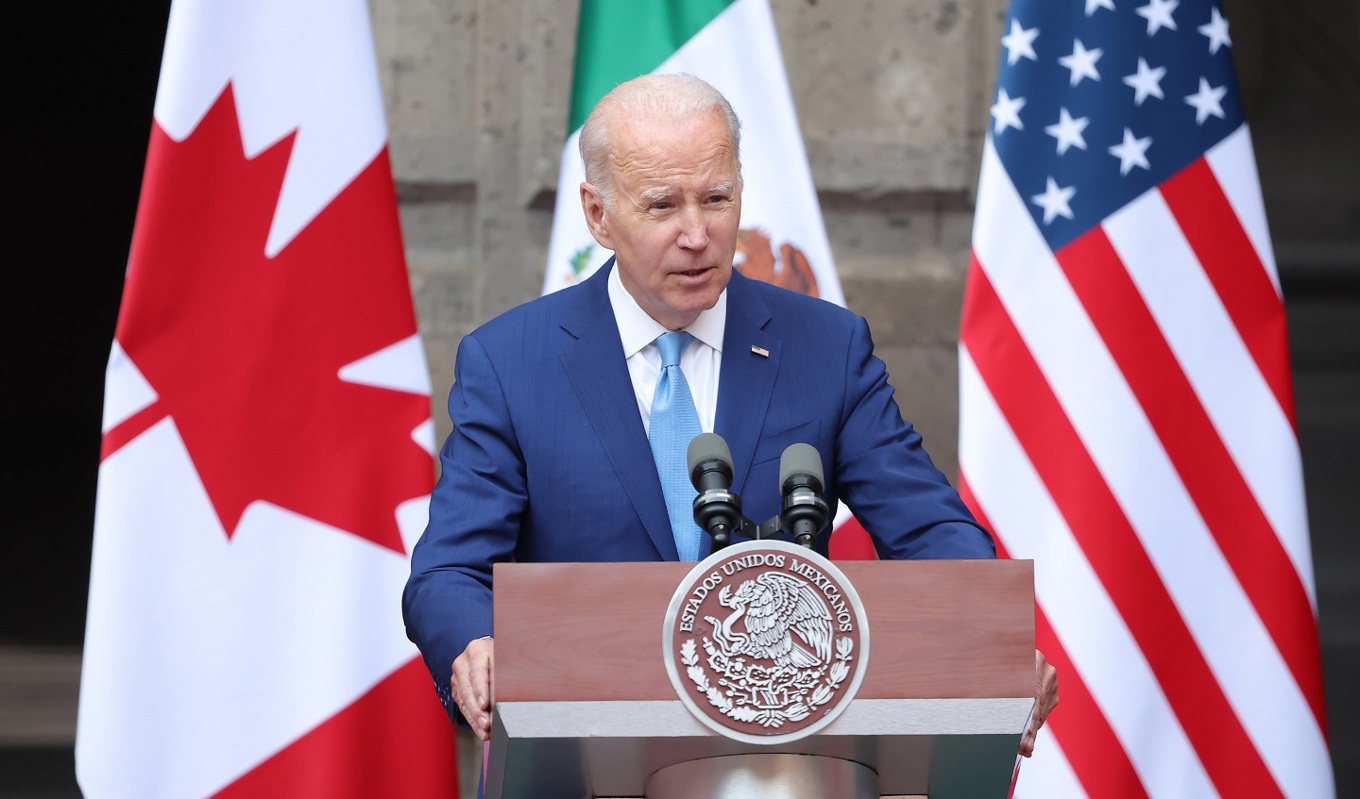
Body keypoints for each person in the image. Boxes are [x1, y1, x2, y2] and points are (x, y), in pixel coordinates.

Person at [402, 73, 1057, 758]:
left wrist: (993, 635)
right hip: (584, 756)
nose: (698, 234)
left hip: (786, 759)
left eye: (717, 198)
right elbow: (449, 571)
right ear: (598, 214)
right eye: (662, 205)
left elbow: (926, 529)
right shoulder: (511, 362)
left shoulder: (825, 348)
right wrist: (475, 645)